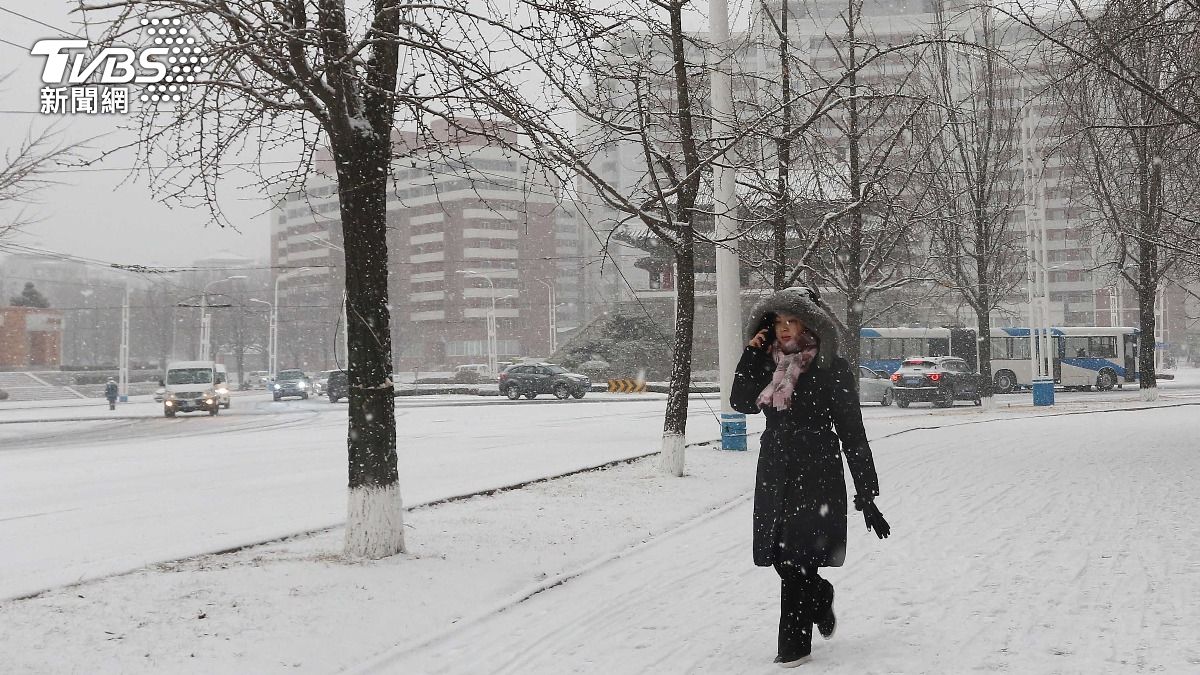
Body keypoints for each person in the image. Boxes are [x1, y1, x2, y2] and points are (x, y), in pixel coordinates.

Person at [730, 286, 887, 668]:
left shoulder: (832, 367)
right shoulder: (767, 363)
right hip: (775, 467)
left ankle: (794, 645)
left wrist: (866, 493)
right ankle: (819, 595)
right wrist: (751, 350)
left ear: (809, 323)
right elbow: (739, 400)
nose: (785, 329)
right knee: (781, 556)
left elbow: (852, 431)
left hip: (817, 467)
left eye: (792, 321)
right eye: (778, 322)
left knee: (798, 558)